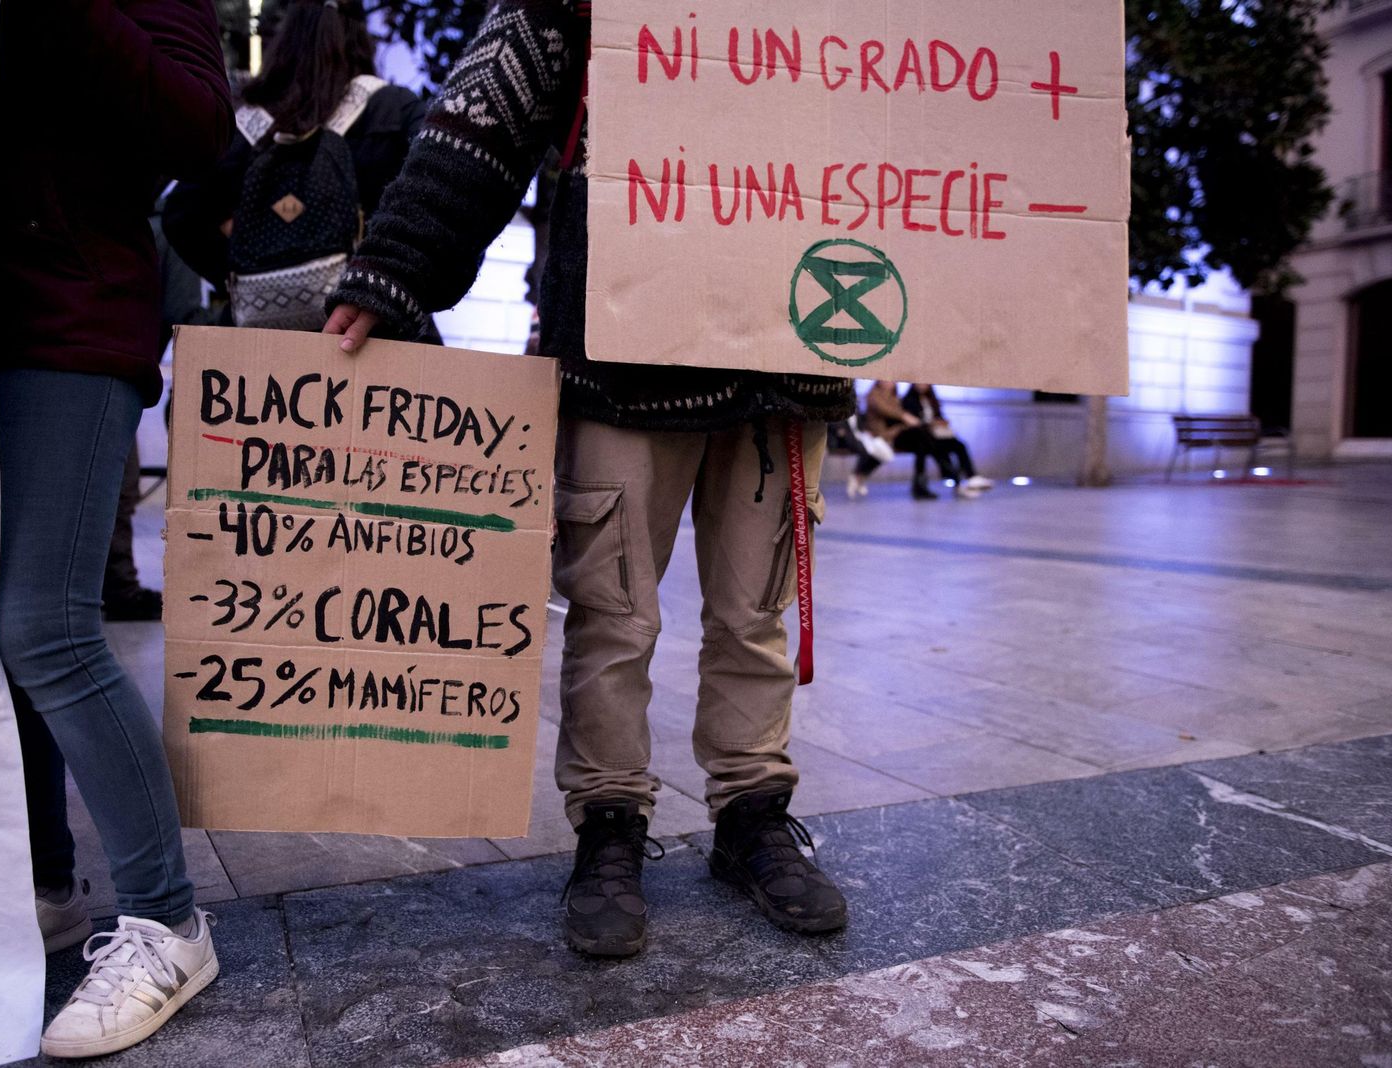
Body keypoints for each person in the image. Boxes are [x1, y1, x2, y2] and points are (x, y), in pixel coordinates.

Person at [323, 0, 850, 958]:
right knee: (611, 615)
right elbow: (481, 120)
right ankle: (609, 826)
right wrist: (392, 267)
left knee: (755, 611)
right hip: (621, 357)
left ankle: (751, 815)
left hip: (787, 360)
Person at [0, 1, 231, 1057]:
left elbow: (194, 120)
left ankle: (168, 921)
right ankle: (43, 885)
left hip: (68, 313)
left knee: (45, 624)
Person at [163, 0, 432, 340]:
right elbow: (434, 188)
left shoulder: (247, 125)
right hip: (370, 336)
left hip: (259, 345)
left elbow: (180, 214)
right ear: (360, 36)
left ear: (285, 37)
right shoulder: (392, 109)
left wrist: (246, 272)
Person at [848, 380, 980, 500]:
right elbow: (888, 411)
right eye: (887, 380)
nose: (891, 383)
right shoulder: (876, 396)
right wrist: (905, 416)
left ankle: (944, 479)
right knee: (923, 442)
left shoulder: (896, 397)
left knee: (929, 444)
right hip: (883, 436)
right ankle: (952, 477)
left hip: (897, 434)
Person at [904, 383, 993, 495]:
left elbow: (938, 416)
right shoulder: (909, 400)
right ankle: (957, 483)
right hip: (921, 437)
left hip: (936, 436)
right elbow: (914, 422)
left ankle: (972, 477)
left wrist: (941, 422)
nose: (922, 385)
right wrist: (930, 423)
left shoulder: (932, 400)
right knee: (938, 452)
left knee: (960, 445)